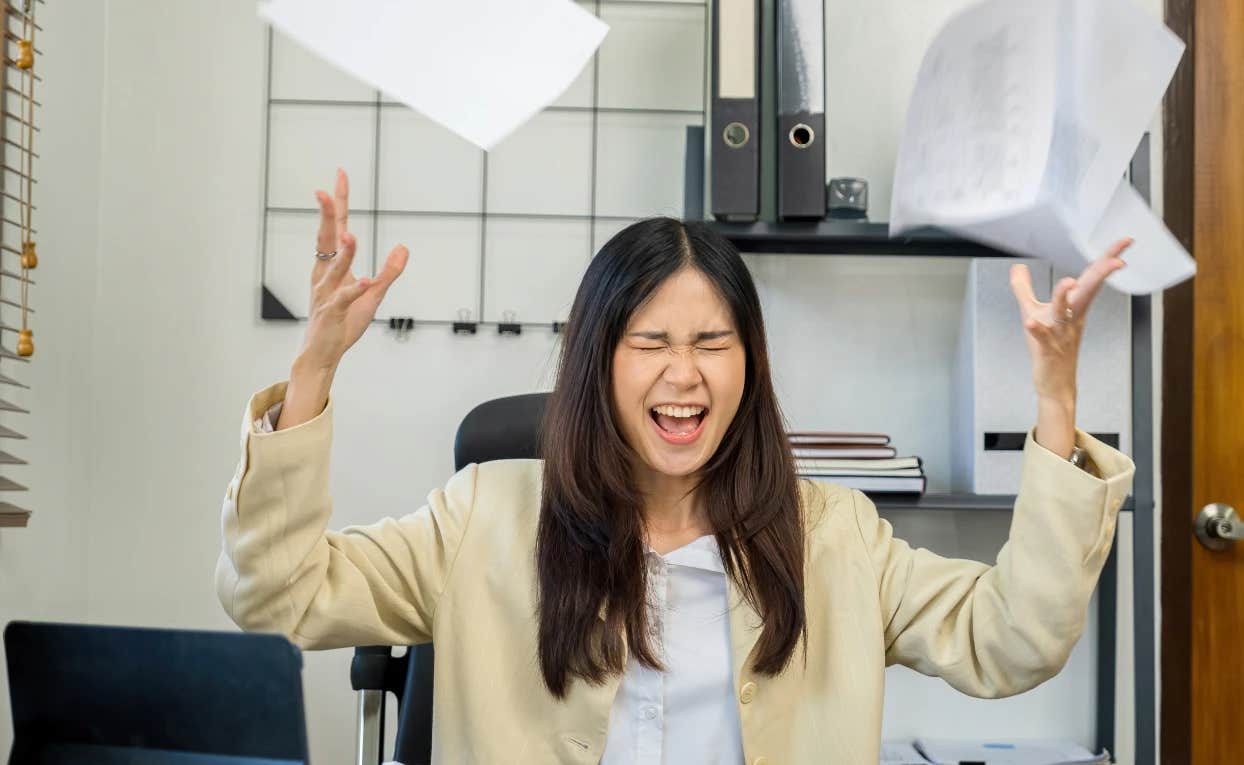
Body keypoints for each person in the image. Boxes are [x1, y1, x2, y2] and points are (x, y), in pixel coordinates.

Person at [216, 169, 1135, 764]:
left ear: (750, 363)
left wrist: (1053, 405)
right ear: (598, 364)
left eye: (712, 342)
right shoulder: (482, 516)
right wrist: (315, 370)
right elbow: (275, 591)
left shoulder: (834, 536)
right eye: (650, 341)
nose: (683, 373)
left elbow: (1015, 641)